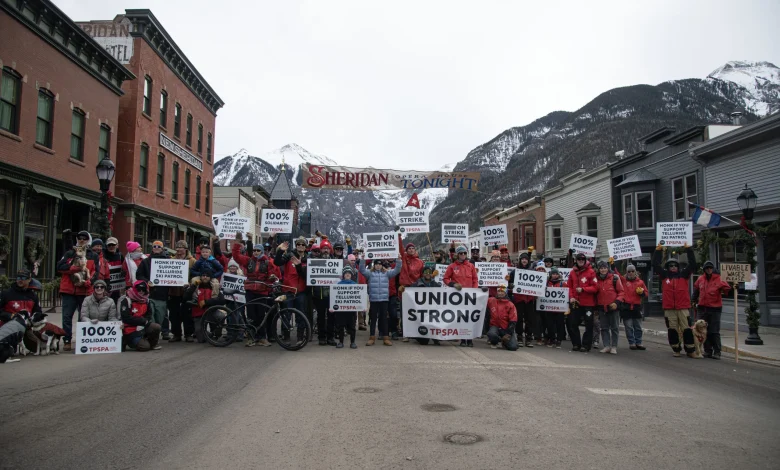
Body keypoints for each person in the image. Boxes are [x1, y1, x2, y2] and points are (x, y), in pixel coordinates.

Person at [231, 232, 280, 347]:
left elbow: (271, 276)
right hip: (250, 291)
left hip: (262, 291)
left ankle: (262, 338)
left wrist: (272, 279)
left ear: (262, 252)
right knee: (251, 316)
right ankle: (251, 337)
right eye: (254, 251)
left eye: (258, 251)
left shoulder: (268, 262)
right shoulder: (248, 260)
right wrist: (237, 243)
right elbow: (236, 256)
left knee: (261, 316)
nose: (256, 252)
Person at [652, 243, 697, 358]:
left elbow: (692, 264)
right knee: (672, 330)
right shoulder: (664, 276)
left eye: (675, 265)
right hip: (669, 308)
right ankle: (676, 349)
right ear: (667, 267)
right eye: (670, 265)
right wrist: (658, 250)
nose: (673, 267)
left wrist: (688, 249)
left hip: (683, 307)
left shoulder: (683, 275)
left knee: (686, 329)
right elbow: (655, 265)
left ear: (678, 267)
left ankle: (690, 350)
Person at [56, 230, 99, 350]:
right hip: (69, 290)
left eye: (84, 238)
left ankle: (82, 340)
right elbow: (59, 267)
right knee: (67, 317)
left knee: (83, 317)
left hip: (84, 291)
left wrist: (90, 282)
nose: (81, 240)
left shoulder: (93, 255)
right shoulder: (70, 253)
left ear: (88, 240)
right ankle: (67, 340)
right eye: (79, 238)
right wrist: (74, 268)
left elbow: (96, 272)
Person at [358, 254, 403, 346]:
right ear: (374, 265)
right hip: (374, 300)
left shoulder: (387, 273)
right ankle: (372, 337)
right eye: (376, 264)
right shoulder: (370, 273)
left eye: (379, 264)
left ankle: (386, 338)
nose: (378, 266)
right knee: (373, 319)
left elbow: (397, 270)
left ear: (382, 265)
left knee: (384, 319)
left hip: (384, 300)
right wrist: (362, 260)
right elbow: (362, 270)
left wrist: (398, 260)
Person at [135, 240, 173, 340]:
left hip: (163, 292)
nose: (156, 248)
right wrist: (147, 281)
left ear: (162, 249)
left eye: (158, 247)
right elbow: (138, 275)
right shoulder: (146, 261)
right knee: (150, 314)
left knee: (162, 314)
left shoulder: (168, 260)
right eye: (154, 246)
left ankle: (165, 331)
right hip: (150, 292)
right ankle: (152, 333)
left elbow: (174, 275)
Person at [693, 260, 731, 359]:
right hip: (702, 307)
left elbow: (727, 290)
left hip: (715, 308)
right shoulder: (701, 279)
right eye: (707, 268)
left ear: (713, 269)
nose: (709, 269)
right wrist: (693, 301)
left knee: (714, 331)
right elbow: (696, 290)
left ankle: (717, 352)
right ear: (704, 269)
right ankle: (707, 351)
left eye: (710, 268)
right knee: (703, 331)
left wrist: (734, 288)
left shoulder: (719, 279)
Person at [444, 245, 478, 347]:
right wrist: (453, 285)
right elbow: (445, 279)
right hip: (457, 297)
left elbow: (475, 280)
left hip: (469, 296)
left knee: (469, 318)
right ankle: (463, 339)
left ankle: (470, 338)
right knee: (461, 318)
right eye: (461, 253)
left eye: (464, 253)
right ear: (457, 254)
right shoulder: (452, 266)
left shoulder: (471, 266)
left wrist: (475, 290)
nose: (463, 255)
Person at [274, 237, 309, 332]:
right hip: (288, 290)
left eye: (303, 244)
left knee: (301, 315)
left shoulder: (308, 259)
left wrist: (298, 266)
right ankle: (285, 337)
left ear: (306, 247)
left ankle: (300, 337)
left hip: (301, 291)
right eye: (298, 244)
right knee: (286, 315)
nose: (300, 246)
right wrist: (280, 251)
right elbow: (277, 262)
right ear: (296, 246)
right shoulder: (290, 255)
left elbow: (306, 276)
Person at [567, 251, 598, 352]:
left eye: (582, 259)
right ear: (576, 261)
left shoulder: (591, 272)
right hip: (576, 302)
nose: (581, 261)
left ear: (585, 261)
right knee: (573, 323)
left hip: (588, 304)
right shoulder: (572, 273)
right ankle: (576, 344)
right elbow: (569, 287)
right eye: (579, 259)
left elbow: (595, 287)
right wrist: (571, 297)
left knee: (589, 325)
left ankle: (586, 345)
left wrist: (584, 289)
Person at [119, 280, 161, 351]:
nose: (141, 291)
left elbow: (149, 314)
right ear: (135, 289)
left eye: (143, 289)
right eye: (138, 289)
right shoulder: (126, 300)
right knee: (145, 347)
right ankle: (129, 341)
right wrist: (141, 321)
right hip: (130, 329)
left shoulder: (146, 300)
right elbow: (126, 318)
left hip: (143, 325)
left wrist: (145, 321)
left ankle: (151, 344)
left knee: (156, 327)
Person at [168, 240, 197, 342]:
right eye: (177, 248)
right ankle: (176, 334)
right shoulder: (171, 260)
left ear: (186, 249)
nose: (179, 250)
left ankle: (188, 334)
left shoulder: (192, 261)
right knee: (174, 313)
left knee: (187, 313)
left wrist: (190, 283)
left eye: (181, 248)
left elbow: (196, 275)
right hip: (174, 291)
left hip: (187, 291)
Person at [595, 260, 624, 354]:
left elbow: (621, 292)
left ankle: (614, 346)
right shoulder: (596, 279)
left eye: (605, 268)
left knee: (614, 328)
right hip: (601, 307)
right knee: (604, 328)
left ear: (608, 268)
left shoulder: (615, 278)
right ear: (598, 269)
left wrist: (617, 302)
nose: (603, 270)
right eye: (601, 268)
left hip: (613, 307)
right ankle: (606, 346)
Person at [397, 235, 423, 341]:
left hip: (415, 289)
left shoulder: (420, 262)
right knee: (404, 311)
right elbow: (400, 247)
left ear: (415, 250)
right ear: (407, 250)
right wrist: (399, 235)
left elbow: (422, 276)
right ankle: (405, 334)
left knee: (415, 311)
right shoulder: (404, 258)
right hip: (405, 289)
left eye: (413, 248)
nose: (411, 250)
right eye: (409, 249)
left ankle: (416, 331)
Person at [185, 267, 221, 343]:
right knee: (201, 339)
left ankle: (216, 334)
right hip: (198, 312)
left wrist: (206, 302)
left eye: (207, 276)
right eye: (203, 275)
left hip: (211, 311)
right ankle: (208, 335)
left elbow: (222, 300)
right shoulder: (195, 285)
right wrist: (193, 286)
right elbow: (185, 297)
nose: (205, 277)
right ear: (200, 276)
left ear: (210, 277)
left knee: (221, 316)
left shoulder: (215, 286)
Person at [412, 264, 442, 345]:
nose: (428, 274)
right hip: (422, 312)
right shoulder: (416, 284)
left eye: (429, 272)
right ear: (423, 274)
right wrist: (403, 289)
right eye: (426, 272)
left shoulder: (436, 285)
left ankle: (435, 337)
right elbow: (409, 292)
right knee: (423, 342)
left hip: (433, 312)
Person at [620, 264, 648, 350]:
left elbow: (646, 294)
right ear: (626, 272)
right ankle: (632, 342)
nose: (631, 273)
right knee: (628, 327)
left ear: (635, 272)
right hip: (626, 307)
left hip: (636, 307)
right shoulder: (624, 281)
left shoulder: (640, 282)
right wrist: (613, 263)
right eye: (629, 271)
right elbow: (617, 274)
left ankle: (638, 342)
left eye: (632, 271)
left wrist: (641, 293)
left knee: (638, 326)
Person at [511, 252, 536, 348]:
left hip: (529, 299)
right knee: (519, 319)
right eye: (522, 259)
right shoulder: (515, 272)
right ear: (520, 261)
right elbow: (510, 284)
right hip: (519, 299)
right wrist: (511, 286)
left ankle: (529, 338)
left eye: (526, 259)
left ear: (528, 260)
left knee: (530, 319)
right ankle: (520, 336)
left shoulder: (533, 272)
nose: (524, 261)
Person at [333, 266, 358, 349]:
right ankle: (341, 342)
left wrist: (362, 308)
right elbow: (334, 297)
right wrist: (332, 307)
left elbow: (359, 298)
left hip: (351, 310)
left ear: (351, 275)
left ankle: (353, 342)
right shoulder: (338, 284)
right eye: (346, 273)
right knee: (340, 326)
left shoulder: (355, 285)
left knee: (352, 327)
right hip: (341, 311)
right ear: (343, 275)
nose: (347, 274)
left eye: (349, 273)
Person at [487, 285, 518, 351]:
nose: (500, 293)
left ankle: (505, 342)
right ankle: (495, 342)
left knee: (513, 347)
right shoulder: (491, 300)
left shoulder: (510, 305)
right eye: (499, 291)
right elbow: (481, 299)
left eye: (502, 291)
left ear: (505, 292)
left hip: (506, 328)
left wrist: (508, 334)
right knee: (491, 334)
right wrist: (483, 291)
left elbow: (513, 321)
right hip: (495, 326)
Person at [544, 267, 567, 348]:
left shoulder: (562, 283)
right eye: (553, 274)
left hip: (559, 308)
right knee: (550, 324)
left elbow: (566, 294)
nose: (555, 275)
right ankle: (552, 339)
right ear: (550, 275)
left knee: (559, 324)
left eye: (556, 274)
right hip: (549, 308)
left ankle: (559, 340)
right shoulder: (546, 283)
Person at [102, 237, 123, 303]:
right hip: (104, 285)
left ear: (117, 245)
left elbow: (124, 268)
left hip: (116, 287)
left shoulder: (120, 255)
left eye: (113, 245)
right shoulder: (102, 255)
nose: (111, 247)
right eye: (109, 245)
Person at [533, 261, 548, 346]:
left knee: (545, 320)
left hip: (546, 303)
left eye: (542, 269)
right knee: (537, 321)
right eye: (539, 269)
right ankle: (538, 337)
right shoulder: (533, 279)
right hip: (536, 302)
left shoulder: (548, 279)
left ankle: (545, 336)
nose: (541, 270)